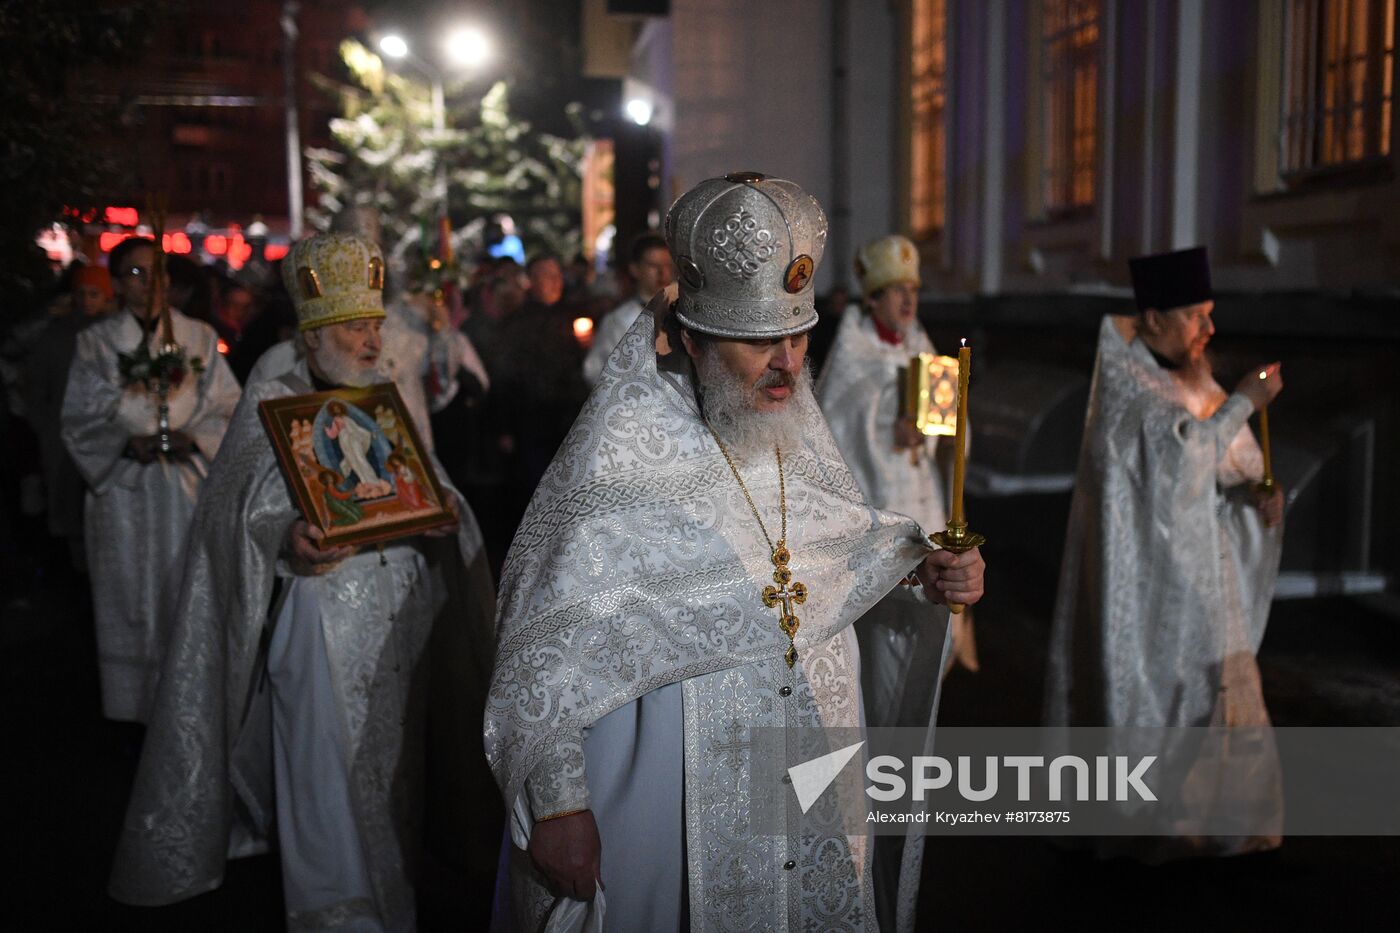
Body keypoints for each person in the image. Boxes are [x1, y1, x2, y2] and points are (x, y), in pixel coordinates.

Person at [486, 173, 985, 932]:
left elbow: (849, 548)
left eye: (797, 335)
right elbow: (541, 644)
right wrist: (557, 802)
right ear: (691, 338)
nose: (787, 364)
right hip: (671, 793)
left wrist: (928, 574)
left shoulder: (792, 431)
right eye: (758, 342)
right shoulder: (617, 460)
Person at [108, 233, 499, 930]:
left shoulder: (380, 397)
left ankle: (402, 896)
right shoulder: (276, 394)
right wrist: (287, 536)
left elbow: (431, 485)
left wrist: (443, 515)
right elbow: (240, 512)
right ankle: (337, 915)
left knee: (399, 773)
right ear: (314, 332)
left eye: (375, 324)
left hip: (400, 611)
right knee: (328, 777)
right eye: (355, 326)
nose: (373, 340)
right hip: (321, 616)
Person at [1043, 245, 1285, 860]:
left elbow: (1221, 464)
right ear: (1153, 320)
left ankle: (1224, 826)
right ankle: (1154, 836)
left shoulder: (1191, 375)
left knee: (1218, 691)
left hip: (1204, 574)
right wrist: (1245, 403)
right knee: (1165, 702)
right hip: (1149, 589)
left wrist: (1257, 491)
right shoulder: (1129, 389)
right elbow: (1183, 459)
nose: (1209, 328)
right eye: (1194, 315)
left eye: (1209, 313)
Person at [61, 237, 241, 723]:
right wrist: (126, 440)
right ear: (118, 284)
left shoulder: (199, 337)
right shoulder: (96, 344)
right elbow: (78, 417)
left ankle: (192, 703)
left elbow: (229, 408)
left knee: (187, 591)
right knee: (130, 594)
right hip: (125, 489)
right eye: (136, 275)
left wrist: (195, 436)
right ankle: (134, 710)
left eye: (158, 274)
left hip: (186, 488)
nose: (149, 285)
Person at [817, 234, 978, 674]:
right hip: (879, 511)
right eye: (898, 291)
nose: (909, 301)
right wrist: (888, 429)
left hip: (924, 505)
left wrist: (941, 436)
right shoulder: (853, 354)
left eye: (914, 291)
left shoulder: (920, 346)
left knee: (929, 644)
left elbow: (949, 425)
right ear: (873, 299)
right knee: (883, 653)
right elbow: (836, 429)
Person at [24, 264, 114, 570]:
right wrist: (46, 426)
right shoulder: (58, 335)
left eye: (95, 294)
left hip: (107, 437)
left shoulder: (115, 336)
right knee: (69, 506)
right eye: (82, 294)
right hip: (62, 434)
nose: (87, 301)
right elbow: (37, 386)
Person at [582, 232, 674, 385]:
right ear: (635, 269)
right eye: (653, 265)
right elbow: (594, 370)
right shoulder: (618, 321)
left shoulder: (682, 315)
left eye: (667, 265)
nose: (662, 273)